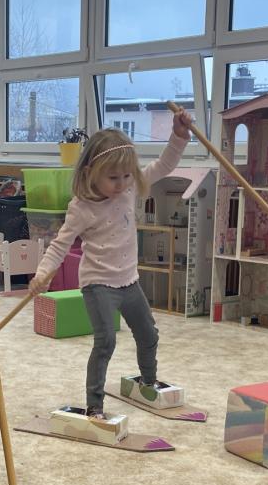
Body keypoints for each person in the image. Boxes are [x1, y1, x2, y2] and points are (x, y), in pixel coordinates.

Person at [28, 109, 194, 418]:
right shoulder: (81, 208)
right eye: (113, 177)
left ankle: (148, 383)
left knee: (149, 334)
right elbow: (60, 244)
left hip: (129, 281)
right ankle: (95, 406)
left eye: (127, 176)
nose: (121, 184)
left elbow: (165, 165)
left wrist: (179, 136)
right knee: (105, 342)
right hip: (98, 285)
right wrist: (42, 274)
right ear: (91, 172)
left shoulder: (130, 188)